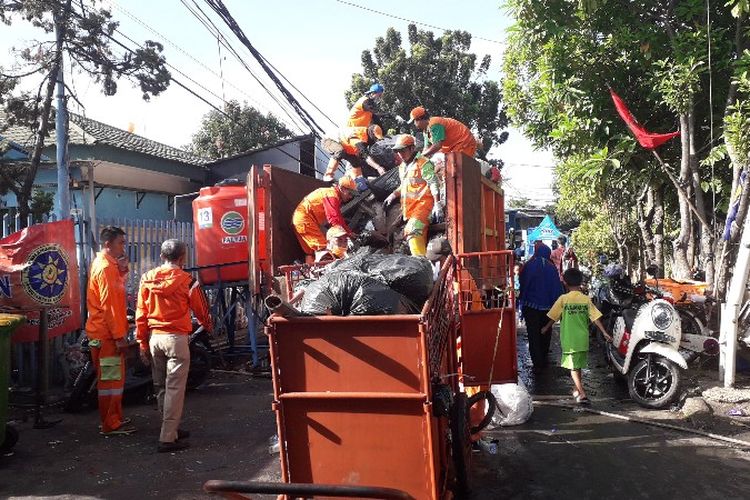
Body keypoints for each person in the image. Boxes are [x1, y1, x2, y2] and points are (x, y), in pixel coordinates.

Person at [136, 239, 212, 453]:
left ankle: (170, 428)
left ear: (162, 256)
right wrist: (208, 325)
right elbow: (201, 309)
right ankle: (168, 437)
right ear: (182, 258)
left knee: (161, 387)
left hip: (155, 339)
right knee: (175, 390)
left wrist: (142, 342)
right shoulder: (188, 281)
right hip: (176, 339)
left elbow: (141, 313)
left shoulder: (146, 279)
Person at [86, 226, 135, 436]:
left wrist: (122, 270)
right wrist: (119, 336)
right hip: (107, 335)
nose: (124, 246)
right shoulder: (106, 267)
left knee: (110, 380)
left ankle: (113, 418)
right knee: (111, 382)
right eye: (120, 243)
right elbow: (111, 305)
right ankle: (110, 423)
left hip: (101, 332)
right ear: (108, 245)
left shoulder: (103, 264)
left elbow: (112, 295)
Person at [542, 268, 612, 404]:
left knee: (573, 368)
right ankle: (576, 389)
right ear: (580, 283)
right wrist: (604, 332)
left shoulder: (563, 299)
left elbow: (553, 317)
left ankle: (582, 393)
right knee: (577, 366)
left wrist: (545, 327)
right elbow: (596, 318)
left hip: (569, 339)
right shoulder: (585, 299)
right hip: (582, 339)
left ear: (565, 283)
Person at [384, 134, 440, 257]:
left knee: (413, 231)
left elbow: (433, 182)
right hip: (410, 210)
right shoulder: (402, 167)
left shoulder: (424, 163)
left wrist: (437, 204)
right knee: (407, 236)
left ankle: (422, 265)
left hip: (424, 205)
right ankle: (422, 262)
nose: (400, 154)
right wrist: (393, 195)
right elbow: (405, 186)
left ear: (412, 148)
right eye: (398, 151)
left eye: (402, 150)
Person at [518, 243, 564, 374]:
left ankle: (537, 362)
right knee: (546, 332)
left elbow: (523, 283)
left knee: (533, 334)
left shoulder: (529, 265)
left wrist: (522, 301)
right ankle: (543, 358)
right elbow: (556, 288)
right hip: (548, 308)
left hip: (531, 306)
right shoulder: (551, 267)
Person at [293, 175, 358, 263]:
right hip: (305, 221)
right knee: (323, 248)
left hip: (303, 221)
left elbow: (338, 218)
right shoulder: (331, 195)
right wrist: (346, 235)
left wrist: (348, 232)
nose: (350, 197)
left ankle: (312, 273)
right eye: (350, 193)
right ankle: (325, 273)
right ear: (342, 188)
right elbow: (334, 219)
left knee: (311, 252)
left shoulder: (331, 194)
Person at [323, 124, 387, 183]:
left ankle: (359, 183)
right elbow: (365, 156)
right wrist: (378, 167)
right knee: (340, 151)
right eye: (375, 138)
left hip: (345, 145)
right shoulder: (358, 138)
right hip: (328, 141)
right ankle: (328, 174)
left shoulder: (365, 135)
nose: (374, 140)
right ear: (371, 135)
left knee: (356, 162)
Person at [408, 106, 477, 159]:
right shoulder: (425, 132)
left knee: (456, 169)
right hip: (453, 148)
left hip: (464, 143)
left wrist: (422, 156)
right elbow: (426, 149)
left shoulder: (434, 123)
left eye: (414, 121)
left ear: (420, 119)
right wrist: (419, 158)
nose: (414, 124)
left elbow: (437, 146)